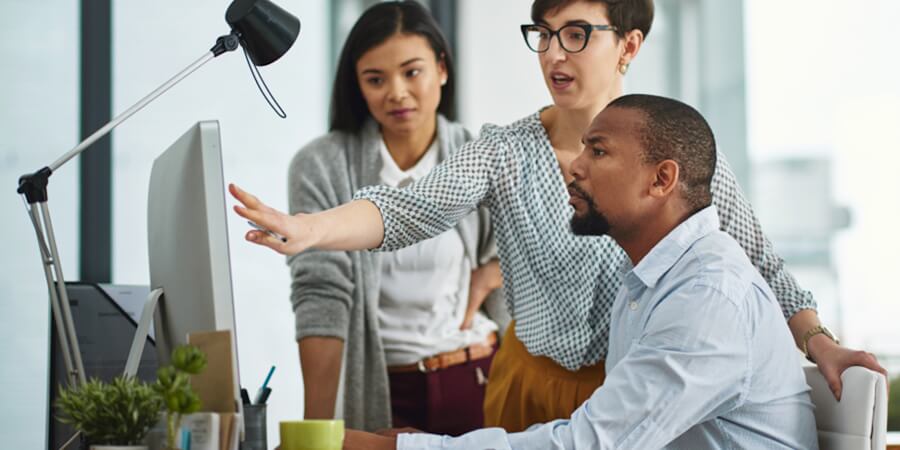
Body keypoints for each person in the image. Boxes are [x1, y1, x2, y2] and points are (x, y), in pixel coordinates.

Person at [231, 0, 885, 432]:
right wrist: (312, 229)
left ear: (629, 45)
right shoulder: (504, 149)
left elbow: (758, 259)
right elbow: (410, 208)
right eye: (542, 35)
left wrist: (818, 341)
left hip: (635, 392)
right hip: (527, 385)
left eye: (575, 35)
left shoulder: (675, 150)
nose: (552, 54)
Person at [342, 95, 820, 449]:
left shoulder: (707, 297)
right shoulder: (650, 280)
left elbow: (589, 445)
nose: (574, 166)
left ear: (661, 179)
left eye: (598, 152)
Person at [283, 1, 506, 434]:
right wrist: (317, 431)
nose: (397, 92)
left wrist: (493, 271)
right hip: (383, 389)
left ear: (442, 69)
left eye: (412, 72)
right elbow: (321, 294)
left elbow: (543, 244)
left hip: (477, 376)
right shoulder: (321, 165)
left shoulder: (479, 154)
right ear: (357, 85)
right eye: (375, 79)